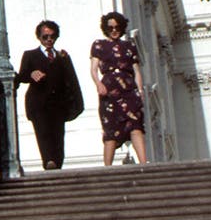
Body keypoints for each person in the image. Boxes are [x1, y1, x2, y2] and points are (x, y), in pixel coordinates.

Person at [16, 20, 81, 170]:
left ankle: (57, 164)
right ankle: (48, 161)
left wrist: (76, 104)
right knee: (43, 133)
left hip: (58, 104)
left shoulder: (62, 56)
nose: (49, 40)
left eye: (52, 36)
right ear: (39, 37)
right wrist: (32, 74)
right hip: (38, 103)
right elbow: (21, 76)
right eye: (45, 37)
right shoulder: (30, 55)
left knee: (58, 136)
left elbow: (71, 79)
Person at [89, 11, 149, 166]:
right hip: (109, 88)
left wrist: (140, 91)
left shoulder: (129, 46)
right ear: (105, 28)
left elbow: (136, 71)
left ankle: (144, 162)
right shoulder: (99, 45)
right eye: (110, 27)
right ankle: (107, 167)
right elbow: (94, 69)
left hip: (128, 88)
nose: (114, 30)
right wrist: (98, 84)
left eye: (117, 27)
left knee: (135, 125)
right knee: (111, 128)